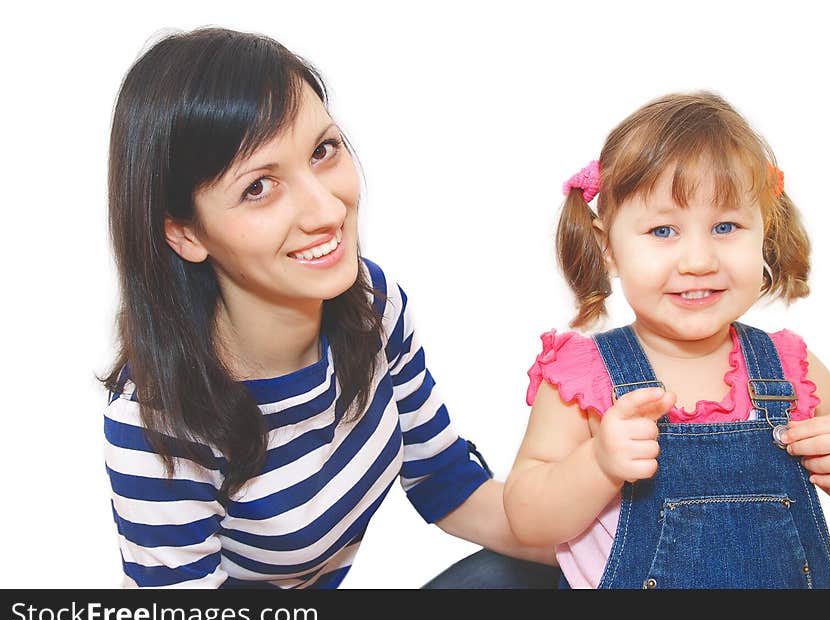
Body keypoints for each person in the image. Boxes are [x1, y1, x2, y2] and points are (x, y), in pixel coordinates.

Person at [102, 27, 558, 588]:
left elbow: (449, 484)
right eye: (258, 187)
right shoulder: (156, 421)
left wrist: (630, 560)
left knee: (530, 576)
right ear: (186, 234)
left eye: (323, 151)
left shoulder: (372, 306)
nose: (325, 209)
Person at [502, 91, 830, 589]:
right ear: (606, 247)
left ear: (763, 235)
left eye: (726, 226)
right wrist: (597, 464)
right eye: (663, 231)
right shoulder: (585, 379)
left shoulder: (790, 369)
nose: (698, 259)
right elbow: (528, 520)